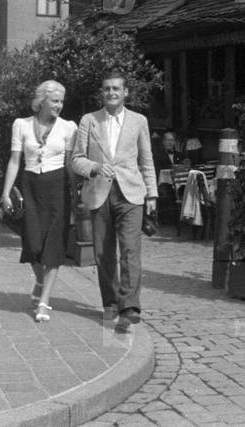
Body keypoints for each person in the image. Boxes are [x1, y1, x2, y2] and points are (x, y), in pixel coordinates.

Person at [71, 71, 158, 329]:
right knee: (103, 253)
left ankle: (129, 306)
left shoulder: (139, 121)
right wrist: (95, 167)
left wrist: (152, 194)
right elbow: (76, 159)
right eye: (107, 89)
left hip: (131, 193)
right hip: (99, 193)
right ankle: (110, 303)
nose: (111, 93)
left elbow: (146, 159)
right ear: (102, 92)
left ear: (126, 92)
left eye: (116, 89)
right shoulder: (89, 120)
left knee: (130, 250)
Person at [0, 80, 78, 323]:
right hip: (30, 185)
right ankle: (40, 279)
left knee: (53, 246)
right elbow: (15, 161)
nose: (59, 106)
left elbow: (70, 165)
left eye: (61, 101)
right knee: (32, 245)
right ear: (42, 101)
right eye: (55, 101)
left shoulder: (68, 127)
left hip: (58, 189)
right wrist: (5, 193)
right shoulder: (21, 125)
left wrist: (77, 196)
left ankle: (44, 302)